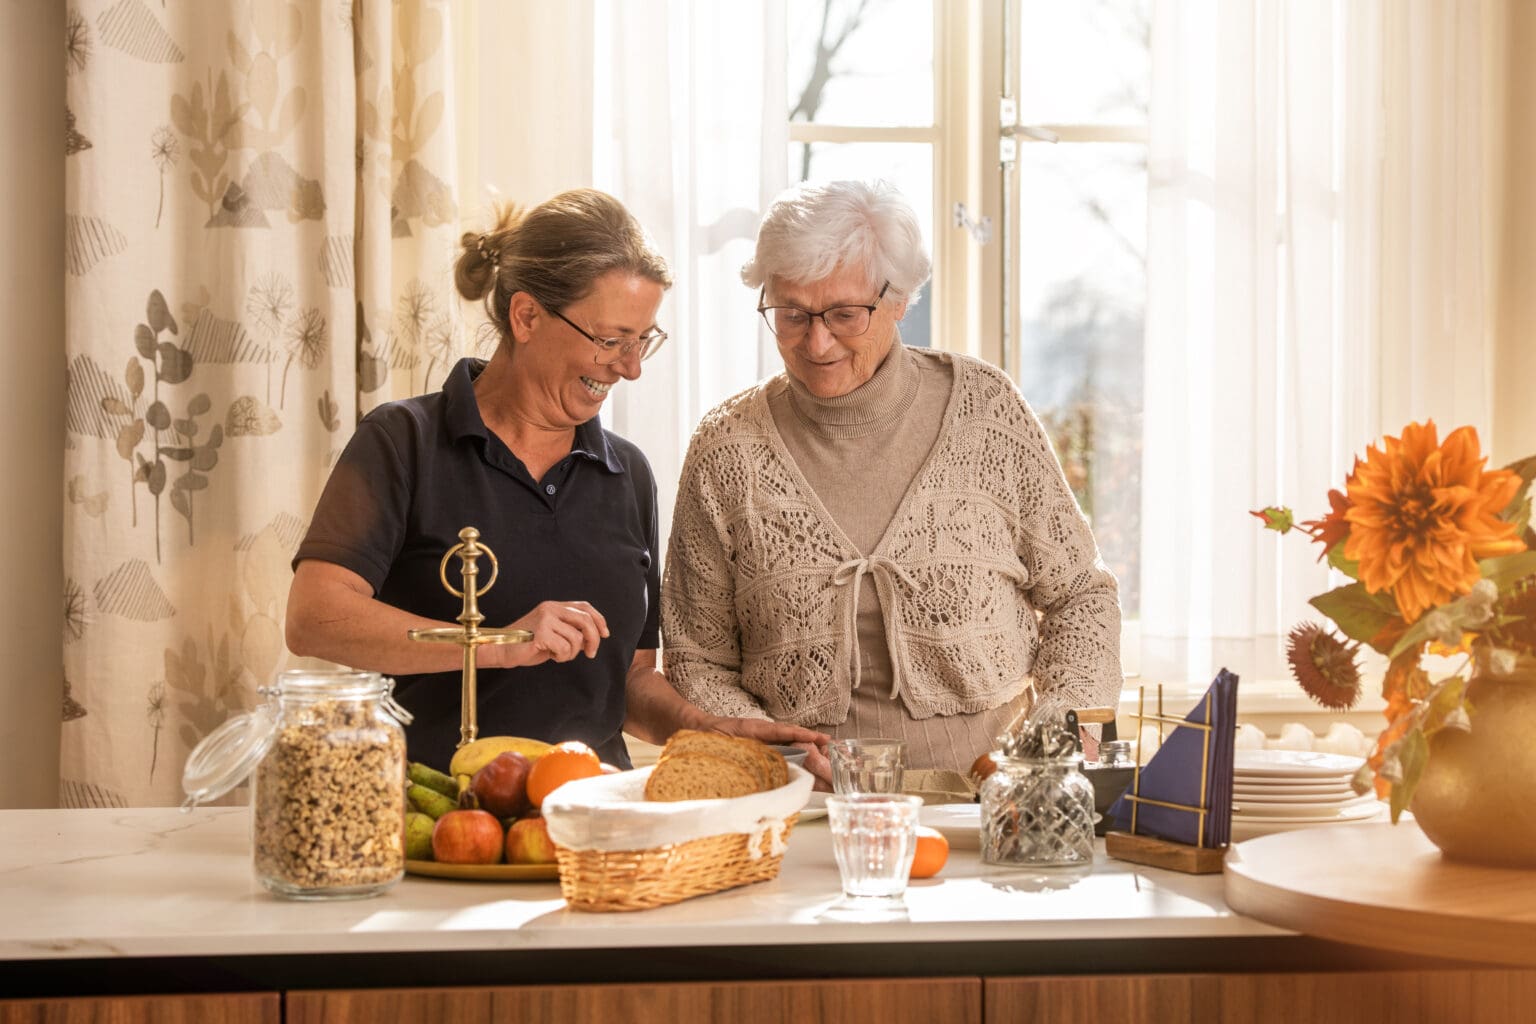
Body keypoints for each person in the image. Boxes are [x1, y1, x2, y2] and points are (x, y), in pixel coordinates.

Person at [286, 188, 824, 773]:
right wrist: (499, 644)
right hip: (440, 809)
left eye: (642, 340)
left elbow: (628, 677)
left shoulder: (627, 473)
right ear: (526, 317)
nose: (631, 367)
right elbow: (314, 618)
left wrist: (702, 728)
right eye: (611, 340)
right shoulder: (403, 441)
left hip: (594, 810)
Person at [661, 180, 1122, 791]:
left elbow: (1081, 594)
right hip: (806, 803)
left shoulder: (986, 412)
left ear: (899, 299)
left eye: (845, 314)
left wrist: (1057, 737)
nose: (816, 342)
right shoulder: (726, 449)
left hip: (998, 800)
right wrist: (780, 758)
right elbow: (697, 657)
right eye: (792, 314)